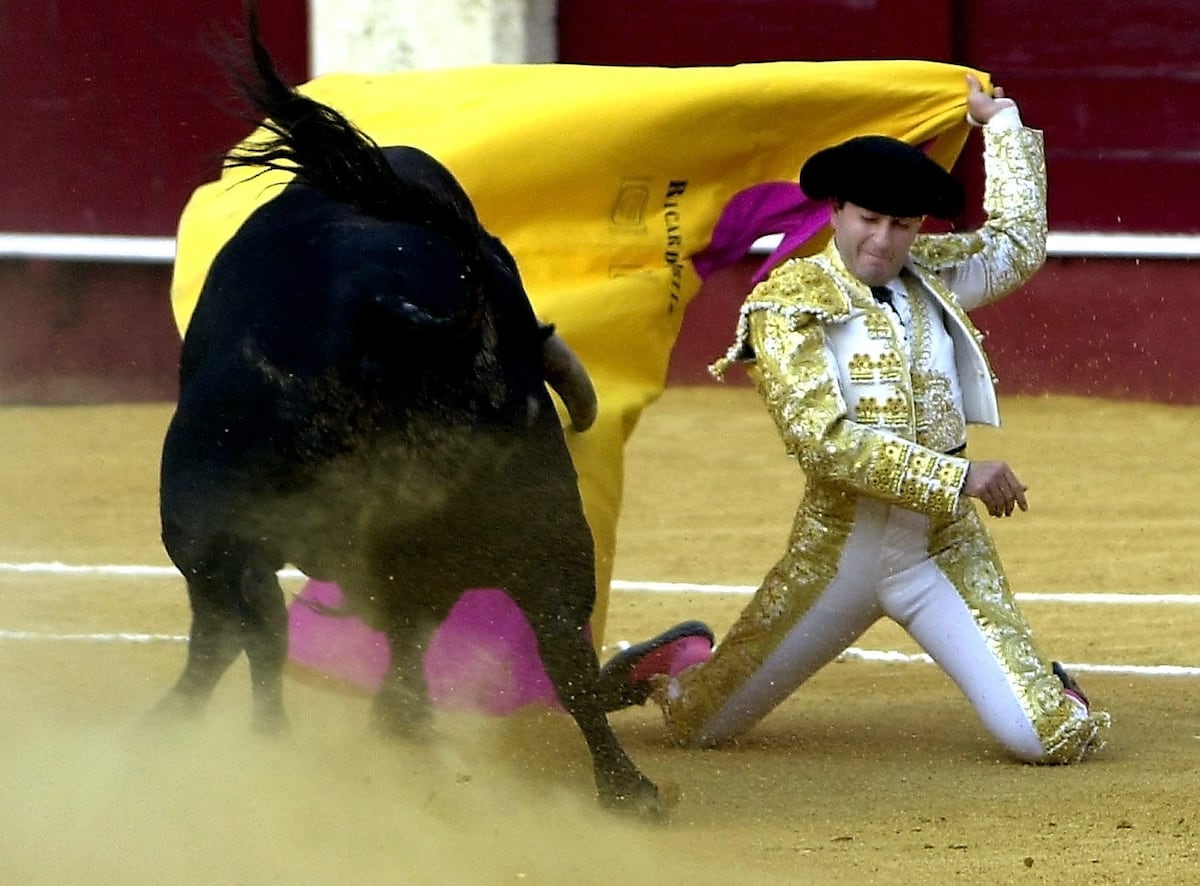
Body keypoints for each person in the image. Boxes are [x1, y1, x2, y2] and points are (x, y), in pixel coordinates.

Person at [596, 75, 1111, 764]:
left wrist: (1004, 124)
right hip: (837, 555)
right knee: (697, 725)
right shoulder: (788, 304)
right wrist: (958, 477)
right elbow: (824, 443)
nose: (883, 240)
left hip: (941, 551)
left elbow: (1017, 244)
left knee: (1050, 738)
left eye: (902, 224)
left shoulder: (930, 274)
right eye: (869, 218)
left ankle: (1048, 692)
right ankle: (682, 660)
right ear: (836, 210)